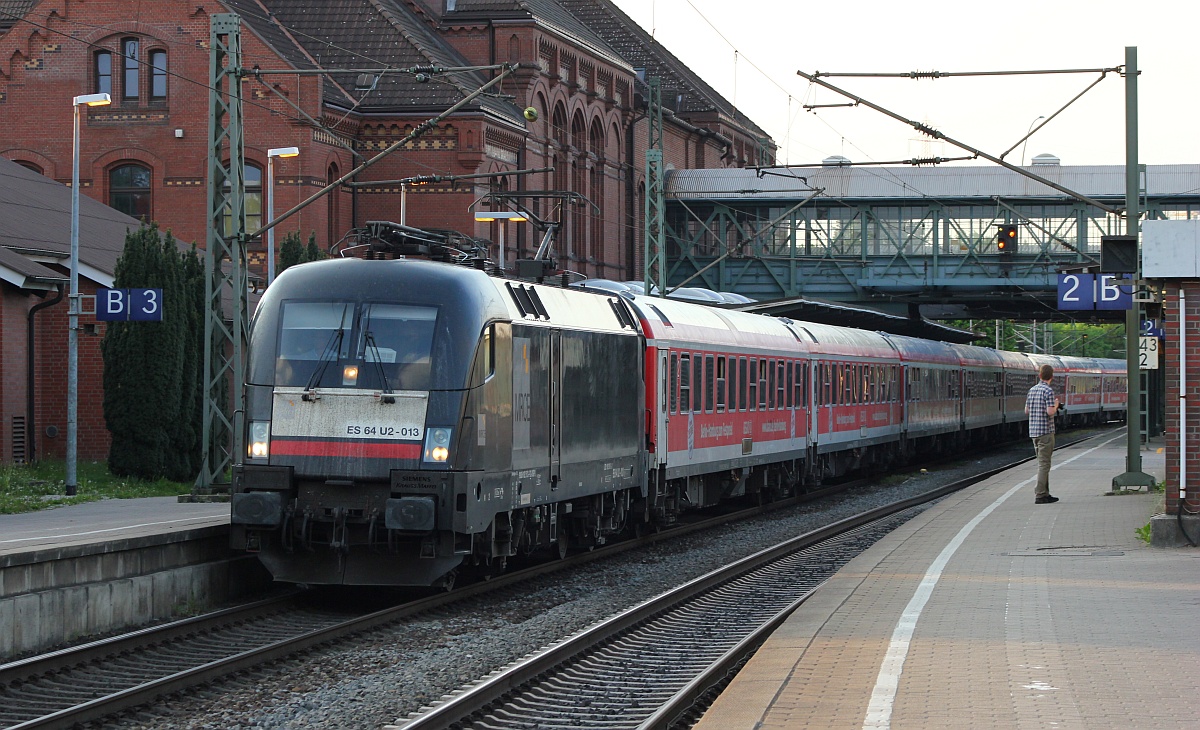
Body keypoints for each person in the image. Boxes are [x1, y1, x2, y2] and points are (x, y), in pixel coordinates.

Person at [1025, 363, 1062, 504]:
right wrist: (1056, 404)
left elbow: (1026, 411)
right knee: (1044, 464)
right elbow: (1050, 412)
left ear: (1039, 375)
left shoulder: (1032, 390)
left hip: (1034, 432)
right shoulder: (1048, 391)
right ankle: (1040, 494)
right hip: (1046, 432)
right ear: (1051, 377)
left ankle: (1045, 493)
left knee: (1042, 463)